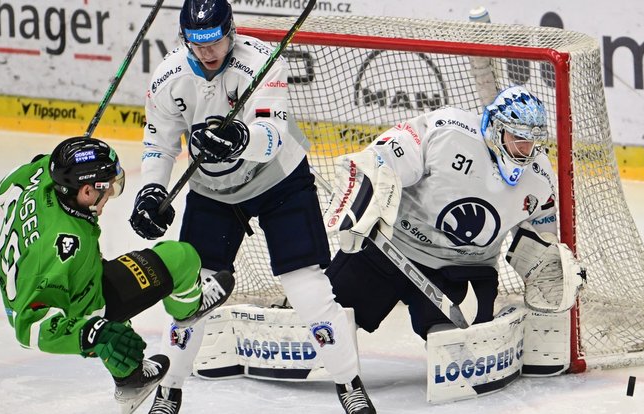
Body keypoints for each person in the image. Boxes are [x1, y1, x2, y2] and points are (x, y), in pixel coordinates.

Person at [127, 0, 374, 413]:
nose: (207, 53)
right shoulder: (169, 77)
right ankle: (169, 391)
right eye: (197, 43)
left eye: (215, 41)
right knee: (192, 294)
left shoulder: (261, 61)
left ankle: (349, 384)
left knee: (307, 289)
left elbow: (272, 132)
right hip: (213, 192)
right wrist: (152, 191)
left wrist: (241, 138)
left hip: (280, 181)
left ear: (231, 32)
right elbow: (159, 144)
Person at [0, 136, 234, 414]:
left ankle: (130, 378)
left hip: (42, 279)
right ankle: (188, 310)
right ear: (85, 191)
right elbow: (28, 328)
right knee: (181, 260)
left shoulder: (44, 172)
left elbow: (4, 188)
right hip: (65, 298)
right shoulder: (64, 245)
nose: (109, 192)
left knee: (116, 319)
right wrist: (92, 333)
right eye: (105, 188)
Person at [323, 85, 561, 342]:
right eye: (518, 138)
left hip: (464, 269)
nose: (526, 150)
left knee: (460, 349)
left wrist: (552, 263)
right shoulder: (448, 132)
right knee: (324, 326)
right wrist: (362, 200)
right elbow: (381, 160)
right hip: (392, 247)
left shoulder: (540, 178)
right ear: (496, 128)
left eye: (532, 141)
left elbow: (541, 239)